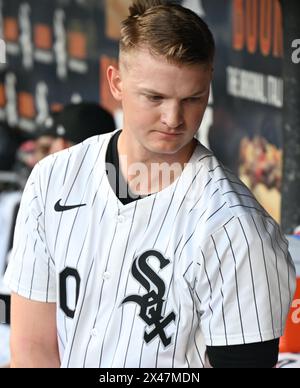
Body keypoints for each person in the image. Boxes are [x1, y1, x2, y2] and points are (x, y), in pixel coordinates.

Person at [4, 0, 296, 368]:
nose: (174, 118)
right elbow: (32, 350)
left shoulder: (236, 227)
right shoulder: (52, 180)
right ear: (116, 83)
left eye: (192, 98)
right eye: (154, 97)